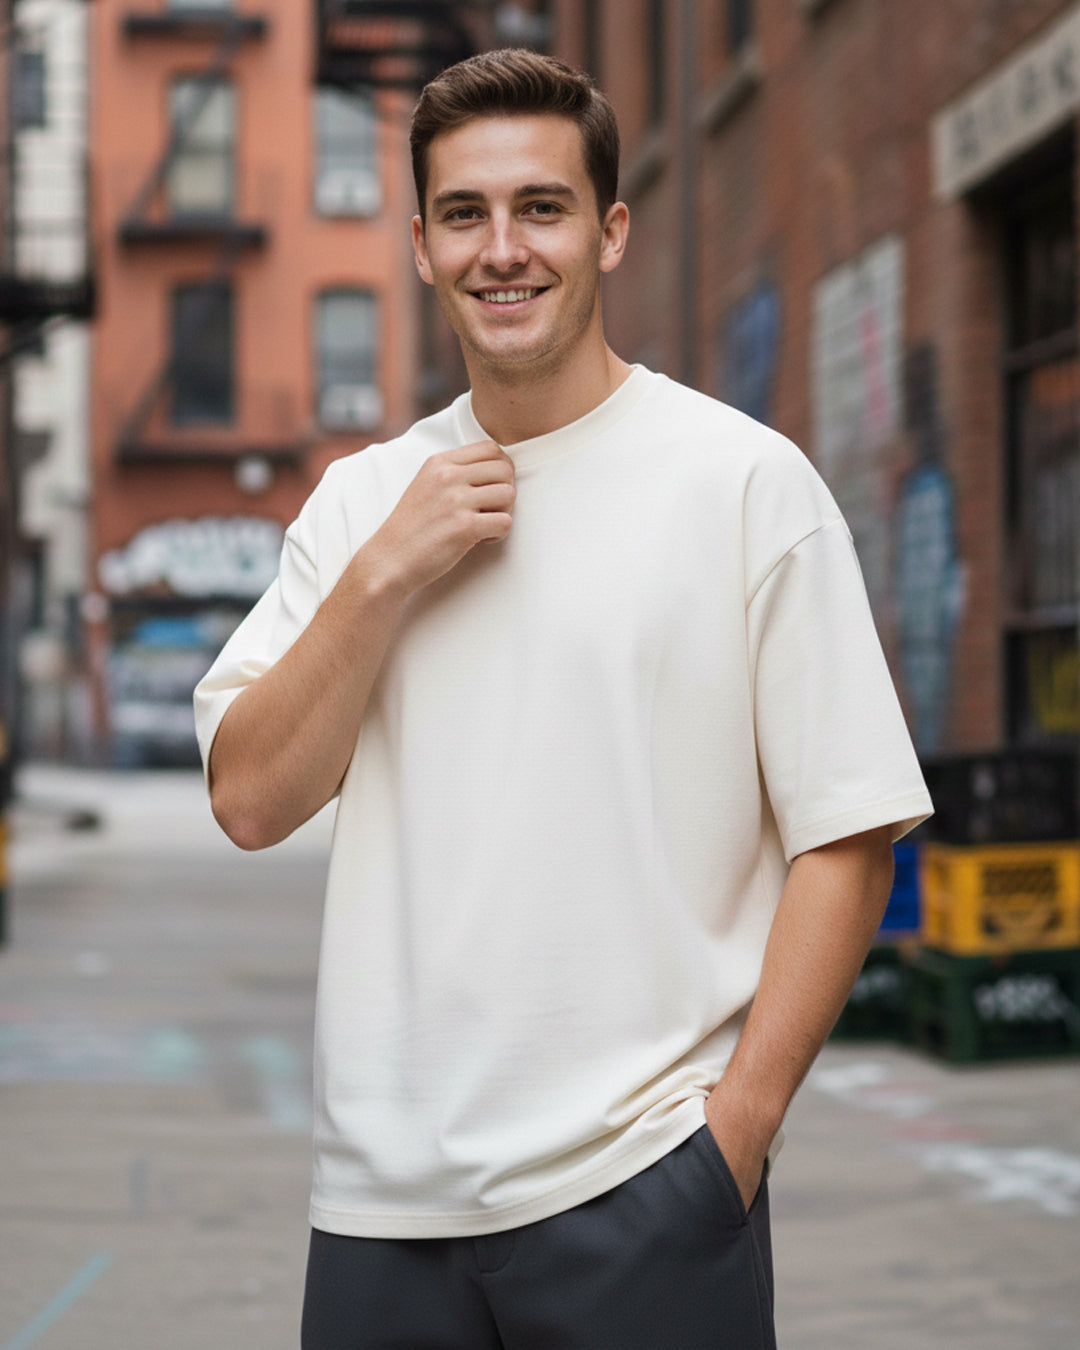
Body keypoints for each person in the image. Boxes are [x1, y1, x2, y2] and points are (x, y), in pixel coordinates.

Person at [195, 47, 932, 1350]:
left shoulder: (740, 484)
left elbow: (848, 831)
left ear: (611, 225)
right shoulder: (366, 505)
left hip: (645, 1193)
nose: (504, 249)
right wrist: (385, 576)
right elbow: (251, 798)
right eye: (465, 214)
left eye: (541, 207)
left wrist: (736, 1132)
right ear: (420, 243)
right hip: (381, 1209)